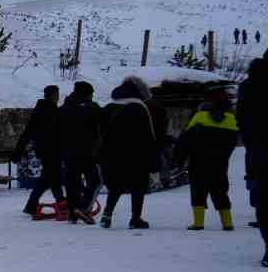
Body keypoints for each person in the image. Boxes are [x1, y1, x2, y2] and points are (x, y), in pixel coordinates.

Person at [98, 76, 161, 229]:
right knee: (138, 187)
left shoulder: (108, 107)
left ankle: (107, 215)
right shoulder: (139, 107)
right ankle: (135, 219)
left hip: (112, 155)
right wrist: (154, 163)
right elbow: (147, 136)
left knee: (115, 186)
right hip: (136, 155)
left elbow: (99, 133)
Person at [175, 94, 239, 230]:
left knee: (198, 189)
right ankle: (227, 223)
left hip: (199, 160)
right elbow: (233, 142)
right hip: (220, 161)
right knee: (220, 190)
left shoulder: (199, 118)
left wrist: (180, 159)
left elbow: (185, 140)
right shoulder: (231, 119)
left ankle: (198, 223)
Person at [57, 80, 102, 224]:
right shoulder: (92, 108)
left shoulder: (62, 109)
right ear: (87, 94)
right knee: (95, 181)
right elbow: (104, 123)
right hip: (87, 152)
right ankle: (83, 208)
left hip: (67, 153)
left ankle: (72, 214)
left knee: (72, 183)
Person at [13, 85, 62, 216]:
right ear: (54, 95)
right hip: (52, 149)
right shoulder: (52, 110)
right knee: (52, 175)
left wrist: (18, 151)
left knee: (49, 176)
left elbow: (28, 132)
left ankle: (37, 204)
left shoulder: (39, 109)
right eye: (57, 94)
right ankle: (59, 202)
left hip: (43, 149)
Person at [237, 59, 268, 264]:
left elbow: (242, 118)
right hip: (259, 149)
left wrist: (252, 144)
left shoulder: (250, 85)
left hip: (260, 151)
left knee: (264, 200)